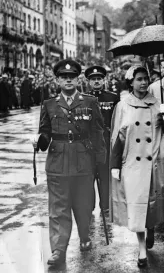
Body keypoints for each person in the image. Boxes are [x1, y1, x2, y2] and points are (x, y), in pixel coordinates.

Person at [110, 65, 164, 267]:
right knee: (137, 207)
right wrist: (114, 163)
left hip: (154, 163)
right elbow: (117, 138)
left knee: (152, 204)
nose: (144, 82)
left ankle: (151, 228)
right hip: (132, 163)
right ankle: (142, 250)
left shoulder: (157, 104)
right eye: (139, 79)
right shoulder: (122, 106)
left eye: (146, 78)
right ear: (131, 82)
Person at [31, 59, 106, 266]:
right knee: (58, 208)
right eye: (64, 77)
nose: (68, 80)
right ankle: (58, 249)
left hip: (84, 160)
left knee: (83, 204)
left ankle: (84, 236)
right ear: (57, 80)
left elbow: (98, 133)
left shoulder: (90, 102)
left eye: (72, 77)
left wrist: (100, 162)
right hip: (57, 162)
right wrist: (39, 141)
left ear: (78, 79)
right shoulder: (49, 104)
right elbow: (45, 134)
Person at [85, 65, 119, 211]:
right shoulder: (83, 99)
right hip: (88, 143)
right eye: (93, 79)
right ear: (88, 82)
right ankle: (88, 206)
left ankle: (105, 205)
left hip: (106, 142)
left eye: (99, 78)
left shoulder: (112, 98)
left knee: (105, 176)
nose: (96, 82)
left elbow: (118, 120)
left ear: (104, 80)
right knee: (88, 176)